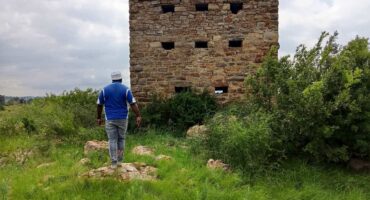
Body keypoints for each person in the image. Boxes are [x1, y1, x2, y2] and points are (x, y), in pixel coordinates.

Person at [96, 71, 142, 168]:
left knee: (112, 140)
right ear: (121, 79)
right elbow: (133, 104)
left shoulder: (104, 90)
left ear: (112, 79)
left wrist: (99, 118)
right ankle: (120, 161)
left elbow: (99, 104)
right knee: (121, 139)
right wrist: (138, 115)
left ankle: (113, 163)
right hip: (123, 118)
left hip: (110, 119)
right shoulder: (126, 89)